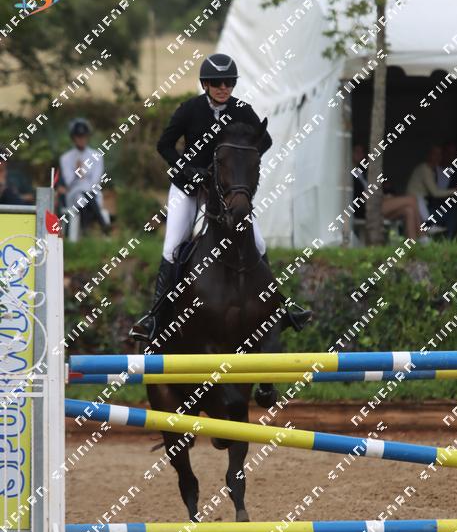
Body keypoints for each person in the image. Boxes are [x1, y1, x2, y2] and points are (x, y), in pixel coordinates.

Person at [129, 53, 311, 342]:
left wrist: (241, 168)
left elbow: (263, 141)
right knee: (173, 247)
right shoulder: (189, 109)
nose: (223, 87)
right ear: (205, 84)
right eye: (217, 82)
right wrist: (187, 169)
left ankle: (280, 308)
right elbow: (164, 145)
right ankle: (155, 317)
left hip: (225, 193)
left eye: (228, 82)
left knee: (259, 243)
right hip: (189, 189)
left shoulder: (241, 110)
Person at [58, 119, 110, 236]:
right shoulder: (65, 158)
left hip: (93, 193)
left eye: (84, 136)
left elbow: (96, 180)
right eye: (78, 136)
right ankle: (101, 223)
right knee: (80, 197)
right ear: (73, 138)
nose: (81, 139)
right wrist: (77, 173)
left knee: (85, 196)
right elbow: (68, 182)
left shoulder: (96, 155)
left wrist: (84, 181)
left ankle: (85, 228)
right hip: (74, 194)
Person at [406, 144, 457, 225]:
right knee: (449, 215)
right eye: (434, 154)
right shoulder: (425, 169)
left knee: (450, 213)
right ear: (429, 155)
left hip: (423, 204)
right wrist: (456, 191)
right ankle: (429, 225)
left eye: (440, 155)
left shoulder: (431, 170)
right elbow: (435, 193)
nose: (437, 157)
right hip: (416, 204)